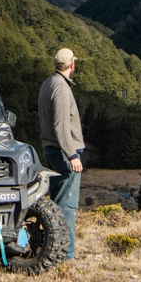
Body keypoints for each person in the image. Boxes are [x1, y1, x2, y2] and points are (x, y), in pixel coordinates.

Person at [38, 47, 85, 260]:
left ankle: (52, 250)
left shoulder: (47, 84)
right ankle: (67, 255)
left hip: (50, 150)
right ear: (72, 65)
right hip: (63, 152)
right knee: (67, 205)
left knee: (56, 203)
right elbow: (61, 126)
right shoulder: (62, 88)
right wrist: (72, 155)